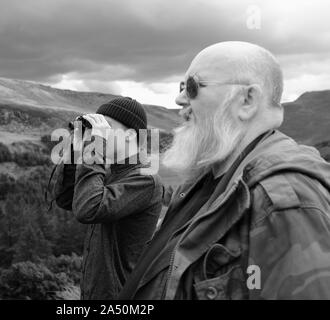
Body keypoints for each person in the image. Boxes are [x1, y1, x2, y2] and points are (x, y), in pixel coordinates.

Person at [119, 41, 330, 300]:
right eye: (181, 87)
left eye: (193, 86)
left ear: (247, 100)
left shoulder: (283, 198)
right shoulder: (206, 179)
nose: (180, 99)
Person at [54, 97, 164, 299]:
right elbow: (65, 199)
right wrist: (76, 149)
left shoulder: (145, 180)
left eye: (107, 126)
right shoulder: (110, 171)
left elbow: (88, 209)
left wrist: (94, 149)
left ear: (130, 135)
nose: (99, 133)